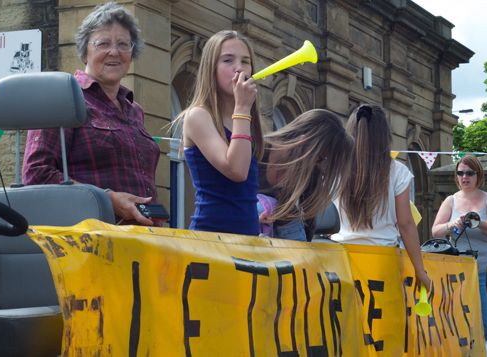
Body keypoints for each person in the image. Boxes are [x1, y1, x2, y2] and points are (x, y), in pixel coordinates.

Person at [23, 2, 160, 226]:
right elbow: (36, 174)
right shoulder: (61, 98)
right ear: (85, 53)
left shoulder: (134, 110)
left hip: (143, 240)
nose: (114, 52)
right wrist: (107, 199)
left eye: (123, 44)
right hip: (88, 240)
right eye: (103, 43)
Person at [331, 104, 430, 288]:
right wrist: (420, 270)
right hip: (382, 260)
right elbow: (406, 224)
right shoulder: (397, 171)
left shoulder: (336, 168)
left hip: (341, 259)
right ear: (385, 135)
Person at [177, 30, 264, 235]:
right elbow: (236, 170)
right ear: (211, 68)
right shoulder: (198, 115)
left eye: (245, 61)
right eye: (227, 60)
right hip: (212, 238)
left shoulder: (244, 118)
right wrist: (242, 109)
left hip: (248, 238)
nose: (239, 68)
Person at [431, 155, 487, 341]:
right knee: (458, 321)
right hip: (457, 271)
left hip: (485, 269)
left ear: (479, 175)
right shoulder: (450, 200)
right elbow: (435, 231)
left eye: (469, 173)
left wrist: (477, 221)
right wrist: (453, 224)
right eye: (460, 173)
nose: (464, 177)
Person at [259, 109, 354, 241]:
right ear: (304, 142)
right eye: (321, 159)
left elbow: (306, 235)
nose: (321, 170)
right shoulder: (255, 150)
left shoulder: (312, 175)